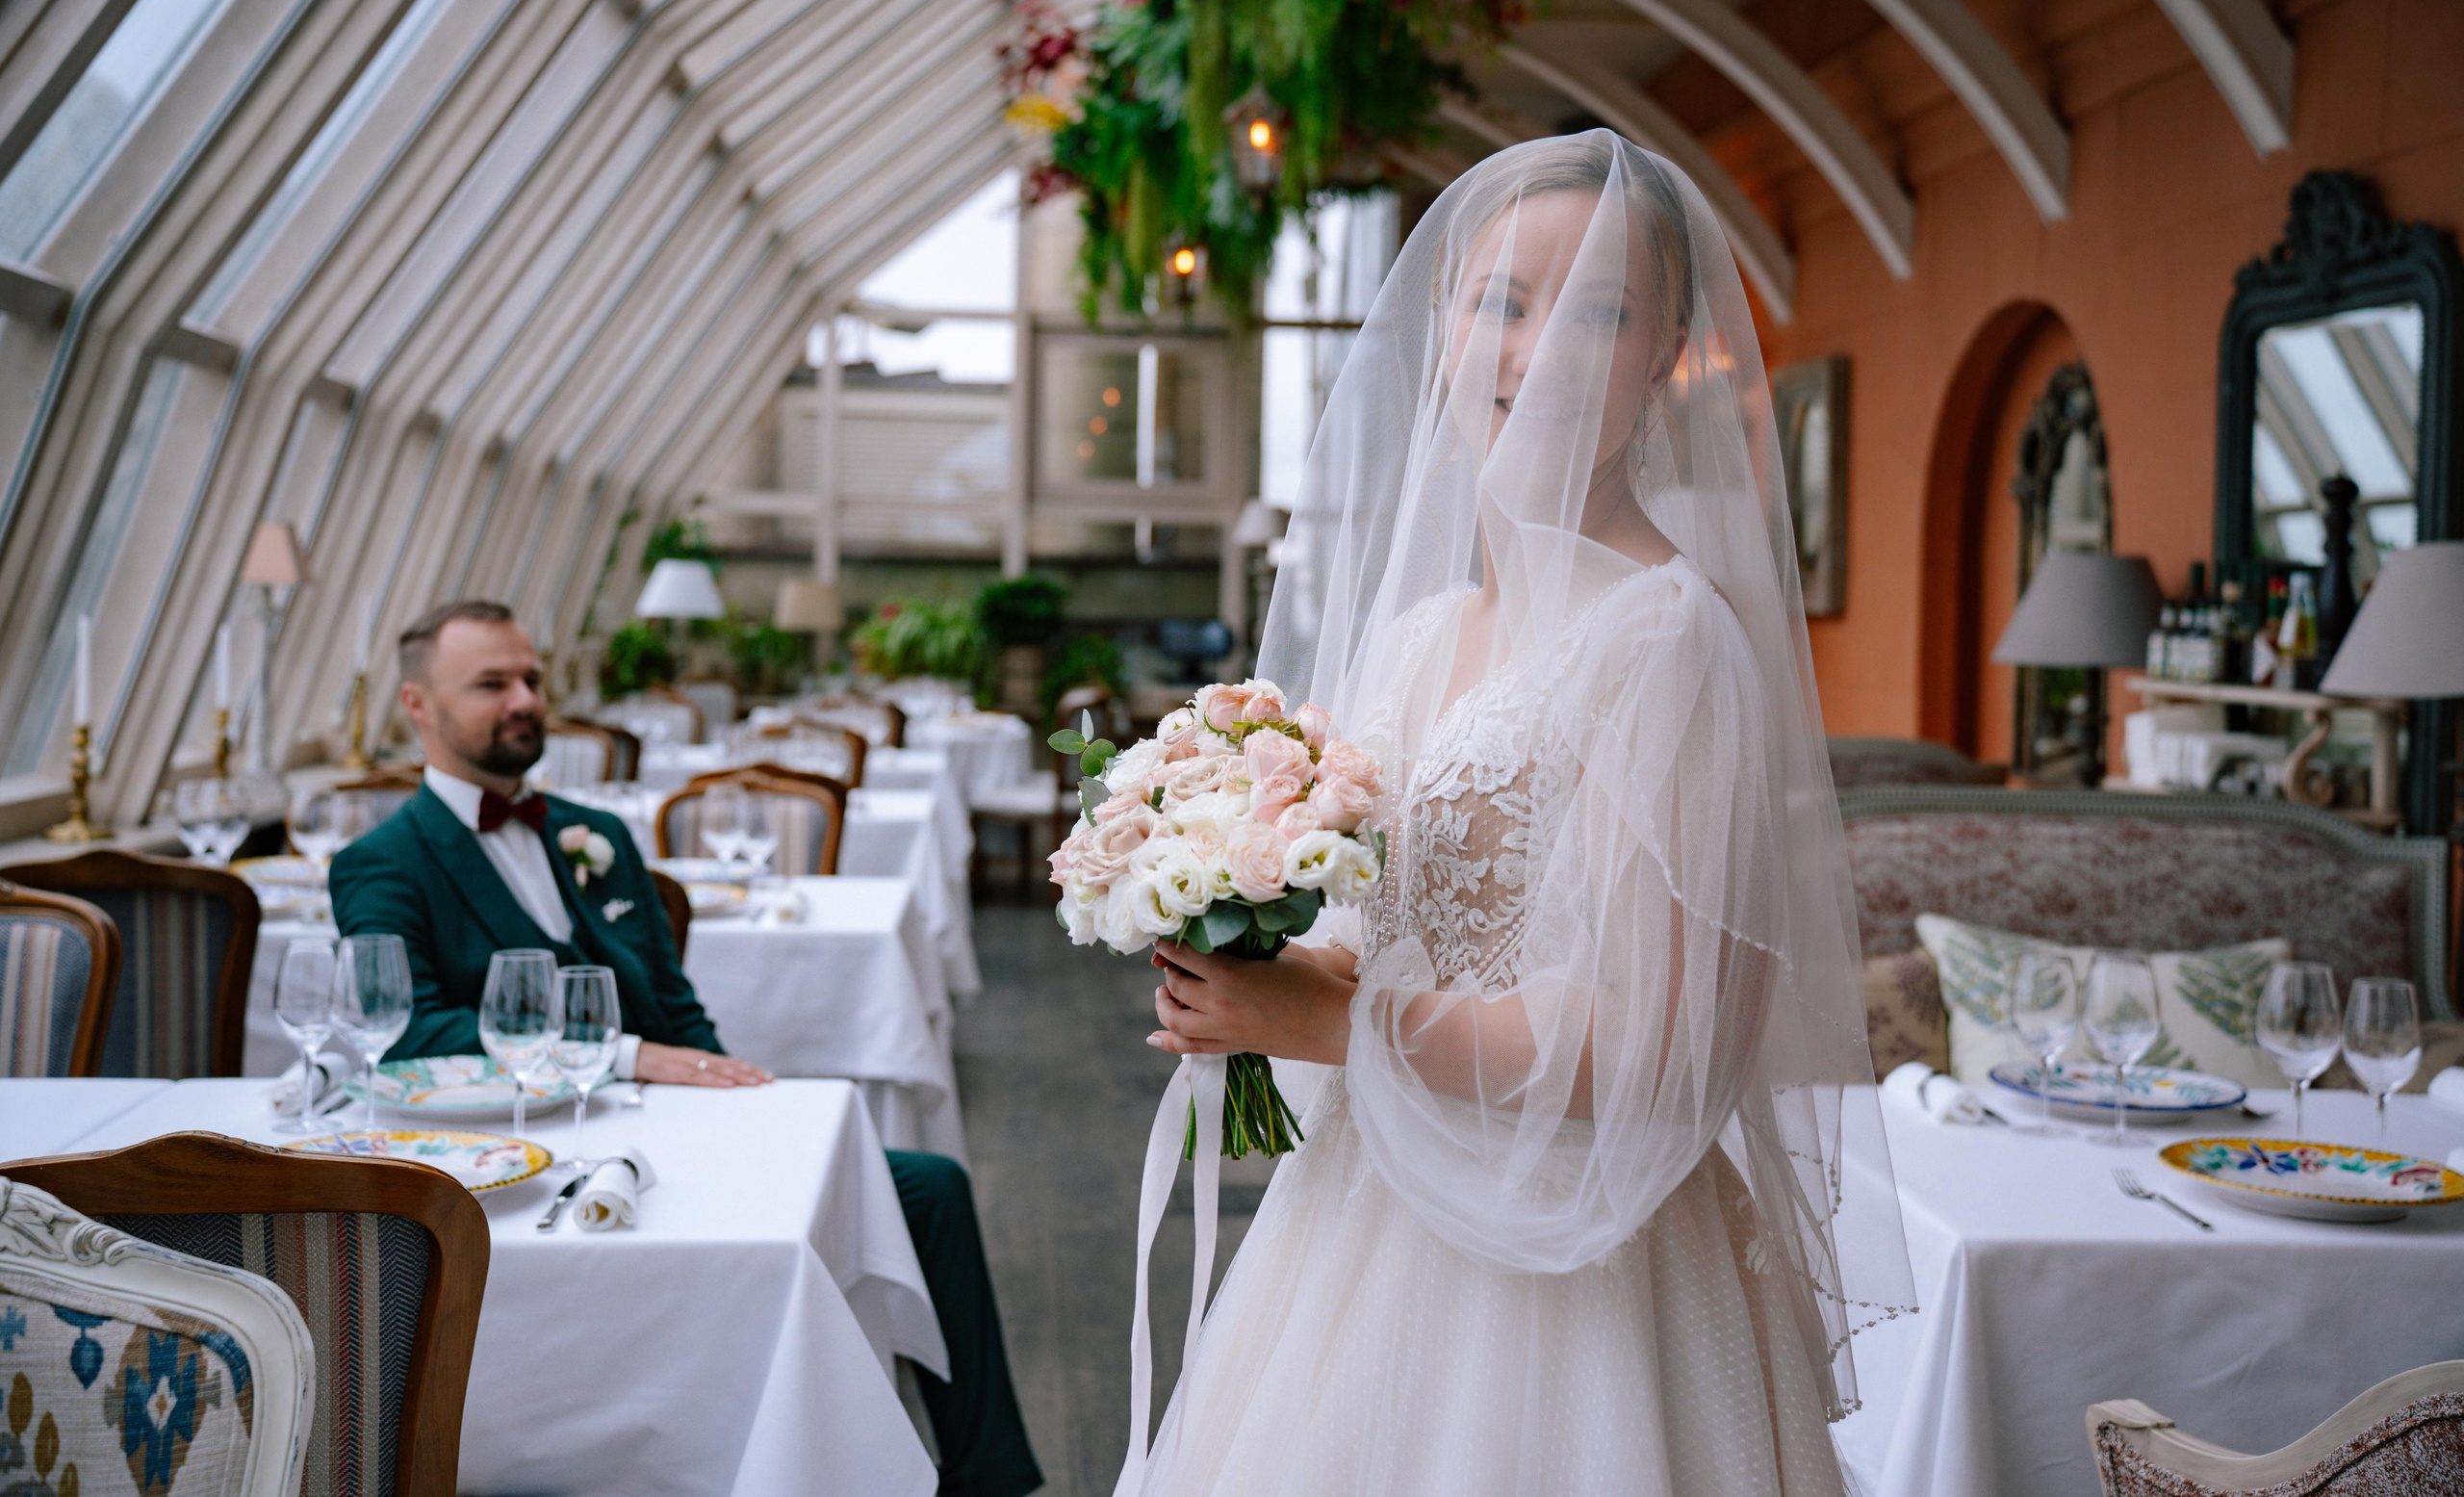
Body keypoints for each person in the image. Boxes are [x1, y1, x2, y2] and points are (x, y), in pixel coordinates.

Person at [1126, 132, 1915, 1494]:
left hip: (1578, 1282)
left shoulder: (1668, 639)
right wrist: (1257, 959)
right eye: (1501, 299)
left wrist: (1331, 1018)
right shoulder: (1429, 632)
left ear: (1669, 348)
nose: (1538, 349)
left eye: (1600, 311)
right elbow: (1418, 933)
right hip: (1367, 1217)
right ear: (1441, 323)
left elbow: (1667, 1046)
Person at [332, 601, 1042, 1497]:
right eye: (491, 683)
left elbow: (676, 1006)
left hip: (676, 1131)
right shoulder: (381, 863)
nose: (524, 699)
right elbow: (403, 1034)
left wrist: (752, 1103)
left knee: (931, 1187)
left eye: (532, 679)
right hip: (534, 1162)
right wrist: (625, 1057)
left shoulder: (597, 834)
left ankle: (988, 1481)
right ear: (416, 706)